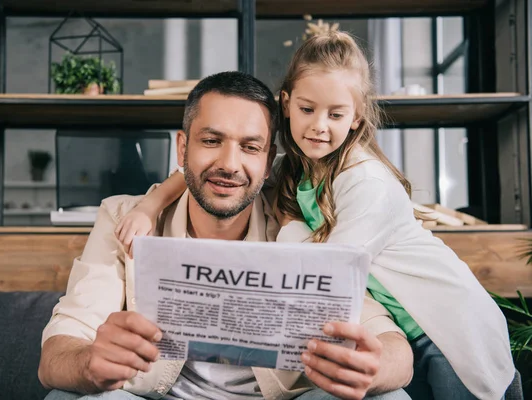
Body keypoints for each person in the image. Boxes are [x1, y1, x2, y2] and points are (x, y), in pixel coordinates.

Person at [115, 31, 515, 400]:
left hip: (446, 331)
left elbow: (329, 276)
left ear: (357, 118)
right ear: (286, 103)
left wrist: (283, 228)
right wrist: (151, 205)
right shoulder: (299, 167)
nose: (319, 127)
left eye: (336, 115)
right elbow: (208, 171)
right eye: (308, 109)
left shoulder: (366, 183)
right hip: (404, 329)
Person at [38, 71, 414, 400]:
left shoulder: (303, 225)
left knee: (390, 396)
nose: (230, 165)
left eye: (250, 147)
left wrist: (372, 367)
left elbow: (394, 348)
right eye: (212, 141)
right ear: (182, 148)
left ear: (269, 163)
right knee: (68, 396)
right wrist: (90, 362)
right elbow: (57, 353)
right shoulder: (122, 215)